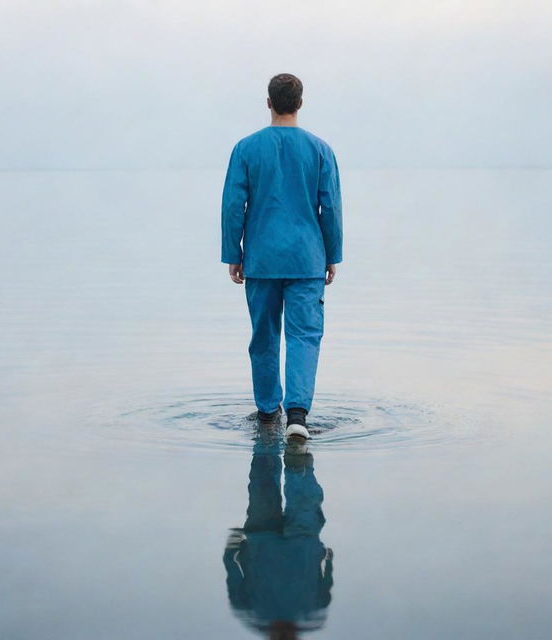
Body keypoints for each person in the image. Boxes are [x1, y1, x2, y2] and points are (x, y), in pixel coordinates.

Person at [221, 73, 343, 441]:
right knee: (305, 336)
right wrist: (332, 253)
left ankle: (265, 412)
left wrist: (233, 252)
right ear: (300, 103)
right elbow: (331, 207)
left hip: (261, 257)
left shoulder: (246, 148)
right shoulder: (321, 149)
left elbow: (232, 205)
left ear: (269, 102)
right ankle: (298, 416)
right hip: (307, 258)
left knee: (264, 335)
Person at [223, 430, 334, 638]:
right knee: (262, 486)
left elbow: (326, 583)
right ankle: (269, 448)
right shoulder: (250, 611)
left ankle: (294, 463)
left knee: (303, 501)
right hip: (263, 540)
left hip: (296, 541)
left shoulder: (313, 612)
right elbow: (232, 573)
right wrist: (231, 548)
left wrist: (328, 558)